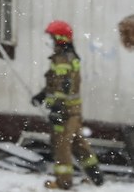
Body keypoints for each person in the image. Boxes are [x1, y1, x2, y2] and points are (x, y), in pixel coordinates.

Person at [31, 20, 103, 189]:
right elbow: (55, 83)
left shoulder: (63, 59)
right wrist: (42, 95)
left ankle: (63, 181)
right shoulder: (65, 56)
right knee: (77, 143)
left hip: (65, 111)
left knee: (61, 145)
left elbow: (64, 86)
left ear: (60, 37)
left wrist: (57, 108)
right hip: (73, 110)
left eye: (51, 36)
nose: (48, 39)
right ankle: (95, 175)